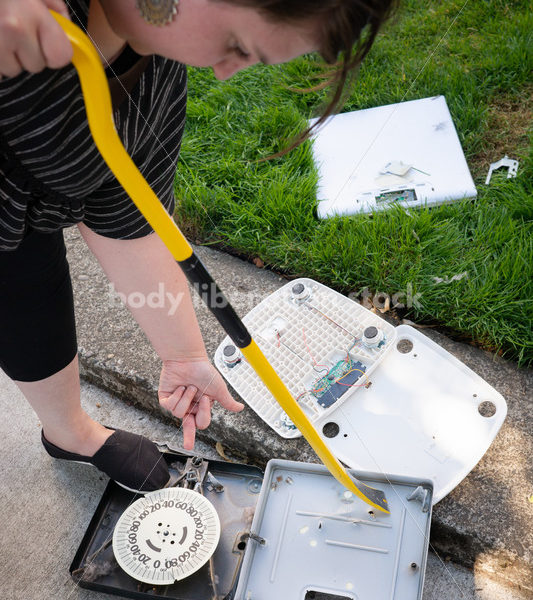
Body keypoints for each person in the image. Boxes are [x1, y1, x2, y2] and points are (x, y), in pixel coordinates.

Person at [0, 0, 396, 492]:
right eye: (236, 46)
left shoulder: (155, 70)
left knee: (27, 288)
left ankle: (68, 433)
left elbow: (128, 213)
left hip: (22, 230)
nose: (226, 73)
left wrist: (184, 354)